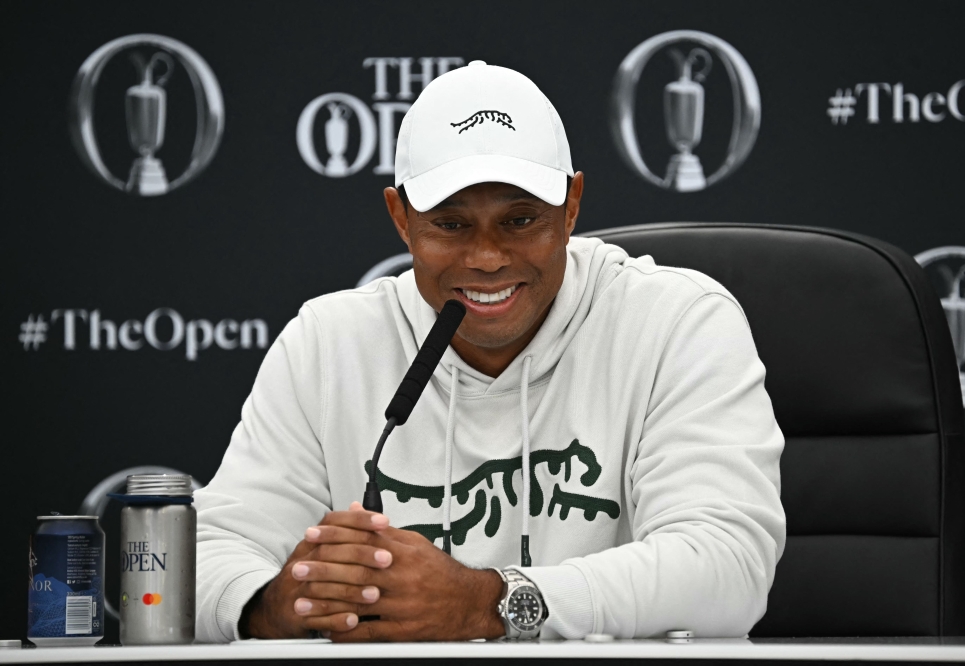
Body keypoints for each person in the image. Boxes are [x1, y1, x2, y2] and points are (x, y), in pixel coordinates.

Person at [194, 61, 785, 643]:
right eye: (450, 225)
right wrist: (277, 603)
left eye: (520, 219)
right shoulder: (328, 343)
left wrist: (491, 603)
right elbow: (205, 558)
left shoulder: (676, 322)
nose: (486, 258)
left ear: (572, 206)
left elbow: (728, 567)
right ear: (401, 219)